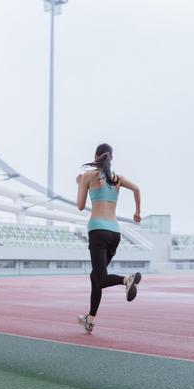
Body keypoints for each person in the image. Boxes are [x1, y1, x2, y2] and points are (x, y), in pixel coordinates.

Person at [75, 143, 142, 334]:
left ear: (95, 156)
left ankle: (126, 280)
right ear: (110, 158)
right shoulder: (116, 178)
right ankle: (90, 320)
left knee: (102, 278)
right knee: (95, 277)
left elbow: (80, 206)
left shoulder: (88, 176)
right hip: (115, 234)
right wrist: (137, 212)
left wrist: (80, 185)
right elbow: (137, 189)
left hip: (97, 231)